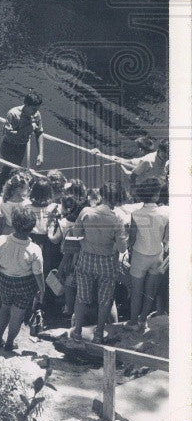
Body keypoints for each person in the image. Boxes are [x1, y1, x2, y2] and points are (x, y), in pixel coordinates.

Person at [69, 187, 128, 344]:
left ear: (102, 195)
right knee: (105, 299)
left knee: (81, 297)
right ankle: (99, 334)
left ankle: (77, 331)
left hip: (86, 257)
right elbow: (122, 248)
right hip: (107, 261)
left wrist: (85, 243)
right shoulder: (117, 219)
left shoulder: (86, 212)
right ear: (117, 200)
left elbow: (76, 234)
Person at [0, 206, 45, 353]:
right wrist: (42, 290)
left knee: (4, 308)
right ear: (32, 227)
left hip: (5, 281)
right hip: (25, 285)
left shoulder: (0, 241)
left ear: (13, 223)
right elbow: (38, 273)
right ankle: (9, 343)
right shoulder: (34, 249)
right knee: (18, 314)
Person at [127, 179, 169, 327]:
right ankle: (143, 320)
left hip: (140, 255)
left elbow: (131, 239)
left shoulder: (135, 214)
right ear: (156, 195)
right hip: (157, 256)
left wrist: (128, 250)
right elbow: (166, 238)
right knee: (150, 291)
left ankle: (133, 322)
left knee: (136, 292)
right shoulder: (166, 212)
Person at [0, 90, 45, 195]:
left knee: (12, 170)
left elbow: (39, 133)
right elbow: (9, 134)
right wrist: (28, 128)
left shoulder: (36, 115)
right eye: (33, 109)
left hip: (21, 147)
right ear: (26, 105)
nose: (35, 112)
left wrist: (40, 154)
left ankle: (5, 191)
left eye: (37, 109)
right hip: (8, 146)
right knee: (9, 170)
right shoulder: (13, 113)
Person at [47, 190, 86, 317]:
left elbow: (55, 240)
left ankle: (69, 308)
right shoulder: (83, 222)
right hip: (83, 257)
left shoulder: (64, 223)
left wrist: (50, 229)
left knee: (69, 284)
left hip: (70, 259)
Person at [95, 138, 169, 203]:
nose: (167, 156)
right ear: (160, 150)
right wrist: (133, 191)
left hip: (159, 189)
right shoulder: (148, 161)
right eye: (165, 154)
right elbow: (132, 176)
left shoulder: (168, 159)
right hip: (146, 192)